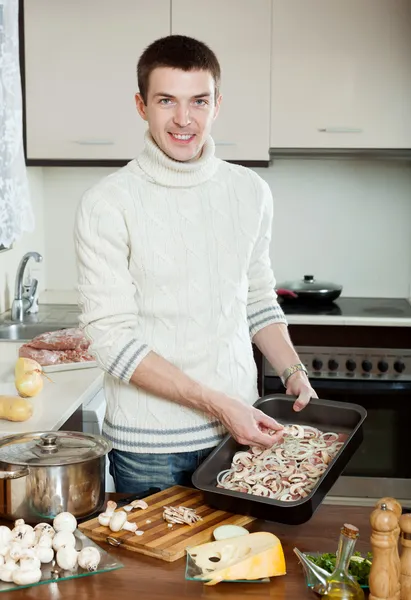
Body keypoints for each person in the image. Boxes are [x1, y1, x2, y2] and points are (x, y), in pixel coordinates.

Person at [74, 35, 317, 494]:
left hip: (240, 433)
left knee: (240, 563)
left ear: (217, 105)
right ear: (141, 105)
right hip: (149, 450)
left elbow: (257, 296)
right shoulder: (106, 203)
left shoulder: (249, 192)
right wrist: (217, 404)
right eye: (167, 100)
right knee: (153, 567)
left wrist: (292, 370)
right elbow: (109, 341)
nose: (184, 119)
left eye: (198, 101)